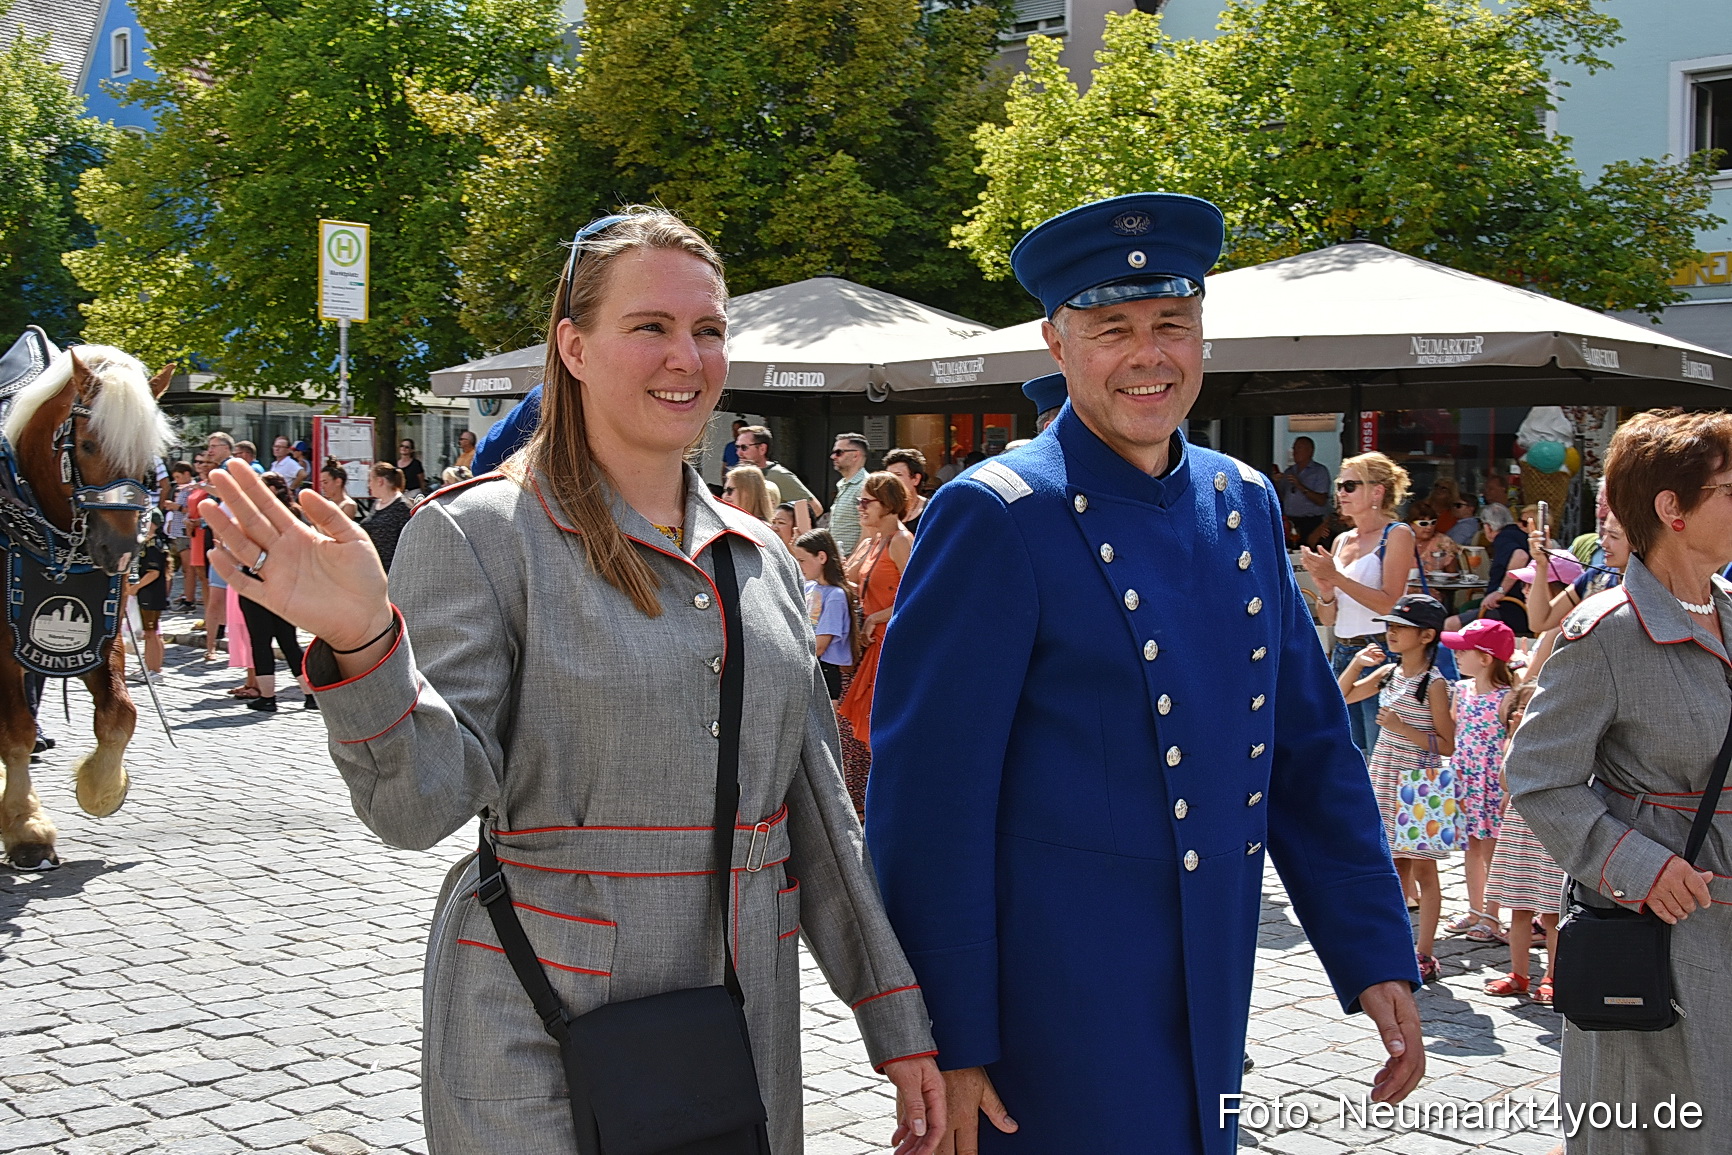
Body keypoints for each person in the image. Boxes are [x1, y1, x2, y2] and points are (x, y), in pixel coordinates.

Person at [196, 206, 943, 1155]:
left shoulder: (760, 559)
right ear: (574, 346)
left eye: (708, 330)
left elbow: (819, 815)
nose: (687, 356)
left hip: (738, 1027)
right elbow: (417, 807)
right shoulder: (481, 534)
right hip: (539, 1024)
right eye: (651, 327)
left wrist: (896, 1019)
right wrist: (362, 637)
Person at [869, 193, 1422, 1155]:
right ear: (1057, 340)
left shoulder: (1241, 499)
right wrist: (946, 1035)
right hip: (1051, 1007)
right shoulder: (998, 513)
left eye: (1171, 323)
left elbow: (1303, 748)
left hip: (1210, 979)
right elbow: (927, 804)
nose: (1149, 353)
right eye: (1112, 327)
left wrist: (1371, 943)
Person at [1506, 409, 1732, 1155]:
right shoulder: (1608, 631)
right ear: (1673, 508)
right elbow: (1539, 778)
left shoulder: (1730, 612)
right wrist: (1639, 865)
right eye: (1730, 488)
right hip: (1659, 939)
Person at [1338, 594, 1456, 984]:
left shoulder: (1434, 683)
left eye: (1401, 627)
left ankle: (1425, 952)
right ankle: (1397, 943)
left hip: (1422, 783)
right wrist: (1356, 663)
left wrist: (1404, 729)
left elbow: (1448, 743)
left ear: (1426, 635)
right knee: (1395, 864)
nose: (1391, 632)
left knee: (1423, 867)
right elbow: (1339, 697)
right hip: (1387, 777)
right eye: (1390, 625)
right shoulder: (1389, 674)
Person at [1301, 452, 1417, 754]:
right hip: (1344, 653)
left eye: (1350, 486)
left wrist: (1336, 580)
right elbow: (1329, 618)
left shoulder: (1397, 534)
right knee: (1345, 751)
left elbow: (1389, 604)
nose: (1341, 493)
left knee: (1380, 753)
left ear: (1377, 491)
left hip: (1381, 651)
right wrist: (1326, 589)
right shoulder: (1342, 540)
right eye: (1340, 485)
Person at [835, 472, 913, 811]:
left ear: (889, 504)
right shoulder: (870, 542)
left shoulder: (900, 540)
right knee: (853, 732)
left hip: (888, 647)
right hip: (864, 648)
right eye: (858, 501)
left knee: (873, 730)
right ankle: (863, 804)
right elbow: (842, 579)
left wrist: (875, 617)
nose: (860, 507)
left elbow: (918, 595)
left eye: (867, 502)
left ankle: (882, 805)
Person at [1482, 682, 1561, 1004]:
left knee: (1553, 913)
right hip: (1520, 832)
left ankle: (1554, 976)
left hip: (1550, 827)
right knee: (1519, 907)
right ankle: (1519, 974)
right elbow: (1505, 779)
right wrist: (1514, 737)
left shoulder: (1560, 739)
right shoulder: (1517, 740)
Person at [1439, 618, 1516, 945]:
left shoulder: (1508, 698)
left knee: (1490, 851)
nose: (1456, 655)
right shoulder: (1462, 690)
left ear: (1485, 658)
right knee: (1470, 848)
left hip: (1491, 783)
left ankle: (1493, 913)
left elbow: (1512, 742)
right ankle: (1474, 908)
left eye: (1463, 650)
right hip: (1466, 780)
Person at [236, 474, 310, 713]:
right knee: (288, 641)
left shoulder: (259, 518)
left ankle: (267, 697)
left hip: (258, 581)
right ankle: (310, 694)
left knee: (261, 641)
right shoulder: (294, 514)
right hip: (286, 584)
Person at [1523, 510, 1629, 635]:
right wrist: (1541, 564)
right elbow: (1539, 622)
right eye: (1604, 533)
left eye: (1614, 537)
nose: (1604, 543)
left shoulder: (1653, 586)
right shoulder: (1595, 578)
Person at [793, 528, 857, 702]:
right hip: (811, 667)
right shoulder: (809, 587)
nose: (799, 567)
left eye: (802, 561)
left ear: (822, 557)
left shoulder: (836, 595)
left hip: (827, 672)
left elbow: (820, 645)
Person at [735, 425, 821, 522]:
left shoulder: (778, 474)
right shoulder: (738, 476)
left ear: (762, 449)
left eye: (744, 447)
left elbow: (816, 508)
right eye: (737, 447)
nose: (739, 453)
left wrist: (783, 524)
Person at [127, 509, 170, 681]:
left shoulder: (153, 545)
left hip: (151, 593)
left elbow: (153, 572)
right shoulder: (146, 543)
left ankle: (154, 669)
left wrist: (135, 587)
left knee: (151, 632)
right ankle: (148, 666)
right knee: (151, 632)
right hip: (148, 593)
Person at [1277, 436, 1331, 546]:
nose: (1295, 452)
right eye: (1294, 448)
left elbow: (1321, 500)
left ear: (1310, 451)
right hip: (1291, 522)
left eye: (1299, 448)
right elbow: (1282, 497)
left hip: (1311, 522)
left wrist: (1300, 486)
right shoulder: (1289, 471)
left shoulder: (1319, 471)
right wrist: (1276, 482)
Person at [361, 462, 413, 571]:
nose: (369, 485)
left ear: (380, 481)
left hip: (392, 571)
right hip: (374, 568)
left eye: (370, 480)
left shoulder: (403, 507)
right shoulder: (376, 504)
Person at [827, 433, 870, 555]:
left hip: (851, 562)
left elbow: (868, 531)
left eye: (839, 452)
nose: (833, 456)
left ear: (855, 455)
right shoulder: (843, 484)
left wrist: (853, 561)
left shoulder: (865, 486)